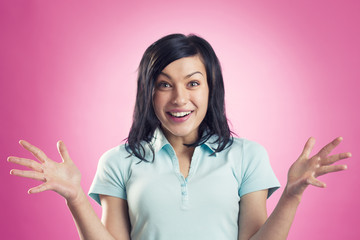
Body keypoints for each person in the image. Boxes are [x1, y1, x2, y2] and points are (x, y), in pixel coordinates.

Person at [8, 34, 351, 240]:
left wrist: (291, 195)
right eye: (164, 84)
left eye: (192, 83)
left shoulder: (248, 156)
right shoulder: (118, 161)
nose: (179, 99)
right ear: (148, 92)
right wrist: (76, 199)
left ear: (210, 88)